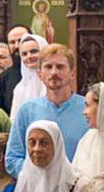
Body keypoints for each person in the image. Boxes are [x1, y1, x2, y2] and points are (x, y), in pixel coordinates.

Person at [5, 44, 88, 177]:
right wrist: (40, 175)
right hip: (37, 191)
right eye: (48, 67)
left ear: (72, 73)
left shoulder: (88, 108)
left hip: (78, 189)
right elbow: (12, 158)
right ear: (40, 74)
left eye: (60, 67)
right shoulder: (27, 111)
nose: (54, 72)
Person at [0, 24, 30, 116]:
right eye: (12, 42)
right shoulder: (2, 79)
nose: (17, 46)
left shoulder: (45, 73)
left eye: (20, 40)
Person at [8, 33, 48, 112]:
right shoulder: (19, 89)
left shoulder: (55, 83)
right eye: (24, 54)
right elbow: (15, 120)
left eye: (34, 51)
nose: (29, 56)